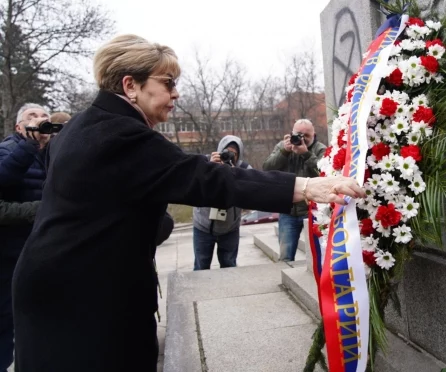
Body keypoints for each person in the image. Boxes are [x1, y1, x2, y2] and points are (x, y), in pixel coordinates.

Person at [10, 34, 363, 372]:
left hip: (55, 286)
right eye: (168, 83)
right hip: (86, 301)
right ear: (130, 85)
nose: (176, 93)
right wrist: (306, 185)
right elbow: (203, 177)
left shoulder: (80, 127)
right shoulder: (120, 135)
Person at [0, 103, 51, 371]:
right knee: (7, 323)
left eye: (45, 116)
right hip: (9, 255)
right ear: (19, 127)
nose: (40, 119)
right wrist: (27, 146)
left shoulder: (52, 155)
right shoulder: (10, 149)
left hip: (40, 251)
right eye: (32, 116)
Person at [263, 119, 326, 261]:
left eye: (306, 136)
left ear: (314, 134)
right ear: (291, 133)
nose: (301, 139)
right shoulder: (283, 147)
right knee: (285, 256)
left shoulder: (320, 149)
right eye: (298, 134)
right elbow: (267, 168)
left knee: (317, 255)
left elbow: (324, 174)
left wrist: (306, 154)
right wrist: (284, 152)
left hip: (312, 211)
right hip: (288, 210)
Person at [192, 135, 250, 270]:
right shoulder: (207, 162)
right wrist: (210, 168)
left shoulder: (244, 168)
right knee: (201, 266)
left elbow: (253, 190)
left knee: (229, 266)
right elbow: (194, 185)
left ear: (239, 155)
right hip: (203, 226)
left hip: (230, 228)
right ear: (220, 151)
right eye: (226, 152)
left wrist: (234, 172)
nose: (229, 156)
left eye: (233, 154)